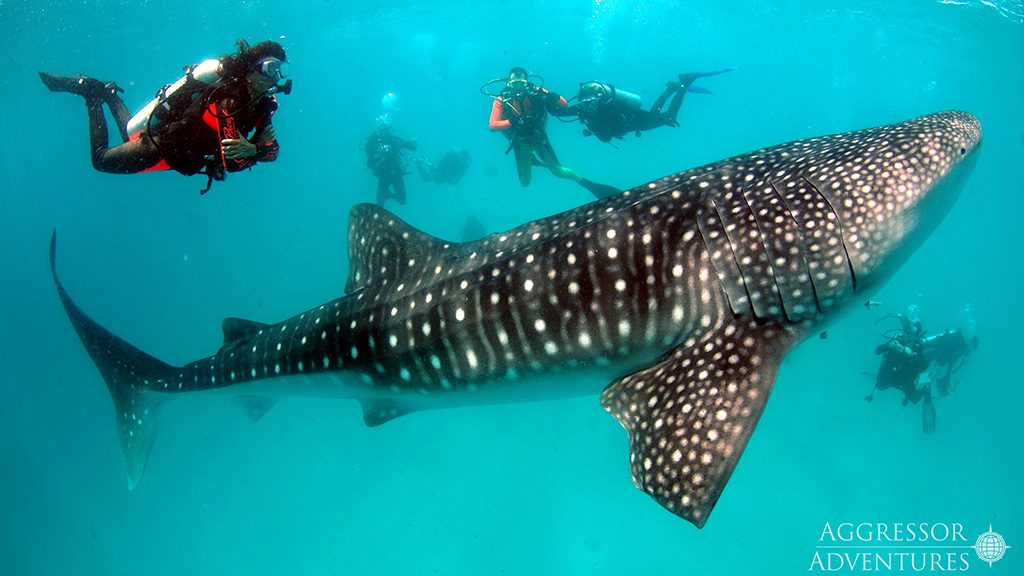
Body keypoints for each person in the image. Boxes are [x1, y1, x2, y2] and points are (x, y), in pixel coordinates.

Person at [39, 39, 290, 193]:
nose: (276, 77)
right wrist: (254, 150)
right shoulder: (230, 99)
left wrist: (253, 150)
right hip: (162, 147)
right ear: (252, 67)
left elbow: (274, 151)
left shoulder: (263, 104)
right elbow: (234, 162)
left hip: (179, 156)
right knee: (101, 160)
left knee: (129, 132)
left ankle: (109, 92)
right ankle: (90, 93)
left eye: (281, 70)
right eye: (271, 68)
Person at [487, 67, 618, 199]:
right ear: (508, 84)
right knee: (525, 182)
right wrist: (512, 122)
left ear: (527, 82)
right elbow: (492, 125)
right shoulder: (501, 100)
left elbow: (563, 104)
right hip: (520, 142)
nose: (518, 89)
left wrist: (551, 95)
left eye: (521, 84)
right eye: (515, 84)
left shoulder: (536, 92)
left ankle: (588, 184)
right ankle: (533, 159)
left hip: (538, 137)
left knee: (558, 172)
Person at [553, 68, 734, 143]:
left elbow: (622, 115)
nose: (588, 105)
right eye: (585, 102)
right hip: (634, 122)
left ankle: (685, 83)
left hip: (633, 121)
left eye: (591, 101)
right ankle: (671, 89)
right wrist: (545, 96)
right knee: (655, 113)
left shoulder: (604, 106)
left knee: (668, 117)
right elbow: (555, 113)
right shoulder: (583, 109)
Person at [365, 115, 417, 206]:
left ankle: (387, 194)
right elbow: (369, 163)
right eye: (382, 131)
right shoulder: (373, 143)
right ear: (378, 131)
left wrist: (414, 142)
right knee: (379, 204)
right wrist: (379, 154)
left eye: (386, 130)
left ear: (389, 130)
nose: (384, 133)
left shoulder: (394, 140)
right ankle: (385, 196)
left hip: (396, 172)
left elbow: (411, 146)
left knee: (402, 200)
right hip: (383, 174)